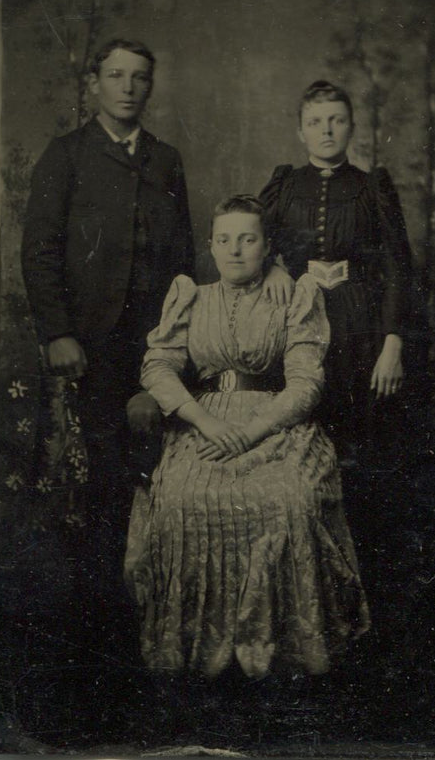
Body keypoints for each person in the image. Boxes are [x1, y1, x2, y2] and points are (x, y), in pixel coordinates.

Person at [124, 195, 370, 683]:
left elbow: (306, 382)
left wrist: (252, 432)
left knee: (290, 499)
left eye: (248, 239)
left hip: (275, 420)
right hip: (204, 419)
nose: (235, 250)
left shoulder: (294, 296)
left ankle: (286, 656)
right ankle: (191, 652)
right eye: (224, 240)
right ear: (212, 247)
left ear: (267, 246)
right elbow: (159, 364)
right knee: (179, 498)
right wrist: (204, 421)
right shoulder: (191, 296)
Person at [21, 38, 196, 594]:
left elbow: (184, 262)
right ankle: (99, 615)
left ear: (150, 85)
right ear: (95, 82)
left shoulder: (165, 160)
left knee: (159, 466)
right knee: (101, 475)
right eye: (116, 75)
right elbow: (40, 250)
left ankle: (155, 602)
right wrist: (58, 332)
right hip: (89, 344)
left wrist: (175, 343)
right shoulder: (66, 154)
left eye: (139, 77)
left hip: (155, 344)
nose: (127, 87)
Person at [259, 81, 412, 467]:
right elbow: (247, 241)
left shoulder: (370, 187)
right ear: (301, 131)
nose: (326, 130)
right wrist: (272, 265)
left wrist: (392, 343)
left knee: (359, 439)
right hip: (296, 318)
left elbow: (398, 265)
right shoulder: (286, 186)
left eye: (336, 120)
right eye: (315, 121)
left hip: (361, 321)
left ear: (350, 127)